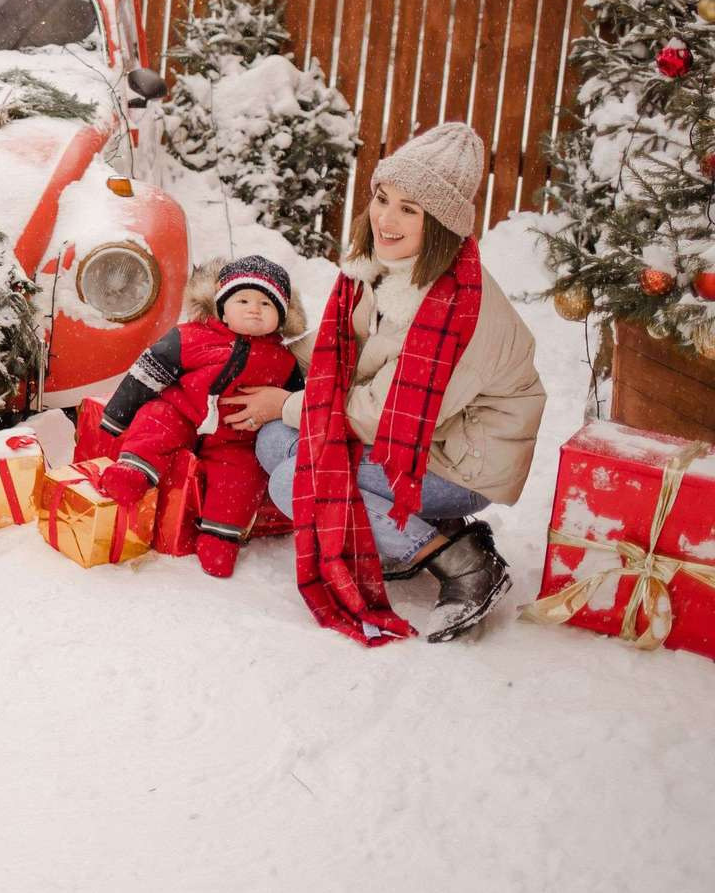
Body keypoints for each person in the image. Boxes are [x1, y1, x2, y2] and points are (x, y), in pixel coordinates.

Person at [230, 123, 545, 643]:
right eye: (382, 198)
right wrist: (254, 359)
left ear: (440, 223)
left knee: (299, 479)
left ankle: (462, 562)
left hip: (460, 465)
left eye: (409, 209)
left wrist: (284, 403)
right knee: (275, 442)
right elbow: (342, 349)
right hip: (416, 444)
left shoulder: (459, 312)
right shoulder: (386, 270)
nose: (386, 218)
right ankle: (419, 532)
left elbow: (383, 413)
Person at [94, 256, 307, 577]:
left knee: (241, 479)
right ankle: (135, 470)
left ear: (281, 317)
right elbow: (148, 371)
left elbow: (292, 403)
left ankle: (220, 536)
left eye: (267, 303)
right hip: (183, 411)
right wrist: (117, 416)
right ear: (222, 307)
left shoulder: (284, 361)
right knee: (155, 420)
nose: (254, 309)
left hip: (236, 437)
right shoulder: (191, 336)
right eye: (243, 300)